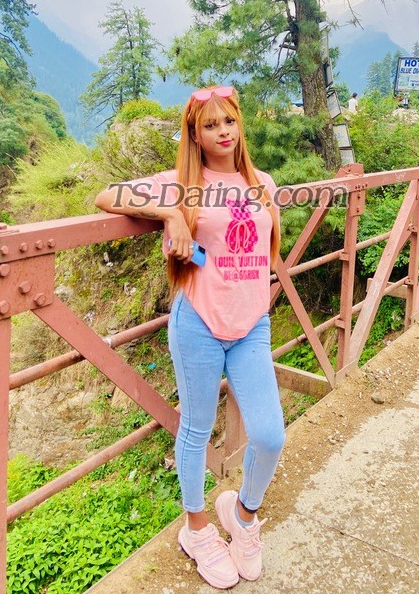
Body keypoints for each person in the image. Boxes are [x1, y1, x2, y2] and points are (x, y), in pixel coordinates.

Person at [94, 85, 285, 589]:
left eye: (229, 122)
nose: (223, 132)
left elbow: (268, 251)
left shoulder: (263, 182)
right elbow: (106, 195)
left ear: (240, 125)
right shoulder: (182, 183)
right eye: (210, 125)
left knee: (270, 434)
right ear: (195, 135)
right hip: (198, 321)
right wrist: (170, 212)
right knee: (196, 428)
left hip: (251, 326)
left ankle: (242, 516)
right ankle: (196, 529)